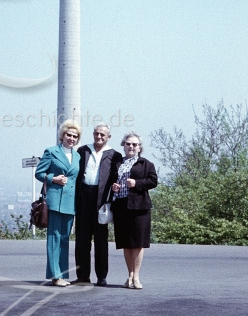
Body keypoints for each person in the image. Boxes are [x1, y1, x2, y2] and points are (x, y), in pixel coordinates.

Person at [73, 124, 123, 286]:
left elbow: (118, 175)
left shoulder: (114, 155)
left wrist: (116, 187)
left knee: (101, 240)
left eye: (102, 134)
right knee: (82, 240)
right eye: (96, 133)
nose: (99, 137)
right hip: (84, 197)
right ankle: (82, 276)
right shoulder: (83, 150)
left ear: (108, 137)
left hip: (101, 199)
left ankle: (102, 276)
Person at [35, 119, 82, 287]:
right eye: (68, 135)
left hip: (70, 203)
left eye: (75, 136)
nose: (71, 138)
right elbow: (39, 173)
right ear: (62, 135)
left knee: (64, 238)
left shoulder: (77, 156)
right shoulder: (51, 151)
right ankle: (55, 276)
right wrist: (53, 178)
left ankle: (62, 274)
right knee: (54, 238)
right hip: (55, 201)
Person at [111, 131, 157, 290]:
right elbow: (111, 181)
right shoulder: (117, 163)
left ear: (139, 147)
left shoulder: (146, 164)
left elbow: (153, 181)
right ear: (123, 145)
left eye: (134, 144)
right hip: (121, 206)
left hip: (139, 207)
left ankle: (136, 276)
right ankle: (129, 274)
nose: (131, 146)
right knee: (126, 243)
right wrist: (114, 187)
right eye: (128, 144)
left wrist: (136, 183)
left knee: (137, 243)